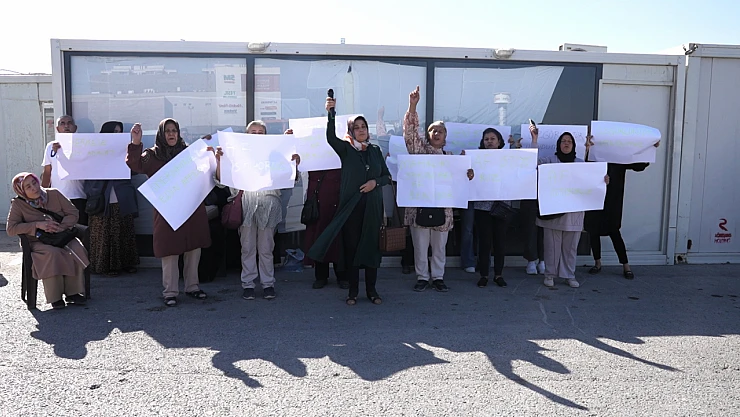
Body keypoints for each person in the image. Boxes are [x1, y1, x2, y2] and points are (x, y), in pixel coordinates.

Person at [308, 95, 391, 305]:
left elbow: (386, 177)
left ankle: (372, 291)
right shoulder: (346, 150)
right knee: (352, 249)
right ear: (351, 131)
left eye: (364, 127)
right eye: (356, 127)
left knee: (371, 248)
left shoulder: (375, 151)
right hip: (352, 209)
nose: (361, 130)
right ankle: (353, 292)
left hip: (372, 207)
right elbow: (330, 137)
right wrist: (331, 113)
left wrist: (374, 183)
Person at [127, 119, 211, 307]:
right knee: (169, 249)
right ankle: (170, 292)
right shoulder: (152, 155)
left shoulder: (188, 152)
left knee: (193, 247)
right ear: (161, 134)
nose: (171, 134)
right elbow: (135, 165)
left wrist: (208, 149)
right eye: (167, 131)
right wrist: (136, 142)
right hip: (167, 209)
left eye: (174, 130)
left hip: (191, 206)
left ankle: (192, 287)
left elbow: (204, 169)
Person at [214, 120, 300, 300]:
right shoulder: (237, 155)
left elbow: (290, 179)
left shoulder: (276, 155)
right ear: (247, 135)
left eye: (261, 132)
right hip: (246, 205)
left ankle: (268, 284)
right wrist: (219, 160)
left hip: (269, 205)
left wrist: (293, 163)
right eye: (253, 132)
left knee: (266, 248)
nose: (257, 135)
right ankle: (248, 284)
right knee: (247, 248)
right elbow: (221, 181)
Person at [403, 86, 475, 292]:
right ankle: (422, 277)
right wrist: (413, 106)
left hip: (443, 209)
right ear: (428, 135)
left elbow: (459, 183)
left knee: (439, 247)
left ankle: (438, 277)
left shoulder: (452, 159)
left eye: (440, 131)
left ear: (445, 137)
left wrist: (467, 173)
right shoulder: (419, 152)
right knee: (420, 246)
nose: (436, 133)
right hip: (419, 206)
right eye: (433, 130)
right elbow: (410, 134)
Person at [534, 131, 609, 288]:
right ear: (559, 145)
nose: (566, 143)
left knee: (570, 248)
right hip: (553, 212)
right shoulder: (549, 161)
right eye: (563, 141)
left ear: (574, 145)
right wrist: (534, 140)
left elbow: (591, 180)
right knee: (551, 247)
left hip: (573, 213)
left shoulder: (580, 163)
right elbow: (532, 164)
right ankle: (549, 275)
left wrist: (603, 180)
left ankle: (569, 275)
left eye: (569, 141)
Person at [6, 172, 90, 309]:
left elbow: (73, 212)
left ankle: (73, 292)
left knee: (76, 249)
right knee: (52, 253)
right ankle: (55, 297)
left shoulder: (54, 194)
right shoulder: (18, 204)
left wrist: (62, 227)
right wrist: (37, 225)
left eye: (34, 182)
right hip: (38, 241)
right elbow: (11, 229)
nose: (34, 188)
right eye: (28, 187)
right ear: (22, 191)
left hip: (62, 235)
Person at [585, 139, 661, 279]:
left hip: (613, 201)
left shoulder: (619, 158)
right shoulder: (593, 156)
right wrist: (587, 149)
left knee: (614, 232)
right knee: (593, 231)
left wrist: (650, 149)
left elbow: (638, 165)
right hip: (594, 199)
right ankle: (597, 263)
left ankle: (626, 265)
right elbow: (581, 168)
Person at [85, 121, 140, 276]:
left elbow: (135, 170)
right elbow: (85, 170)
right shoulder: (95, 152)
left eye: (119, 132)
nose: (117, 135)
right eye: (114, 131)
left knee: (124, 231)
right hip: (101, 198)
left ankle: (126, 263)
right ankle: (104, 266)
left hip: (121, 197)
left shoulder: (126, 150)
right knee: (104, 233)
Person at [472, 128, 512, 288]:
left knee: (500, 241)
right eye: (486, 139)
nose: (489, 141)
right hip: (482, 206)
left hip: (502, 206)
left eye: (492, 138)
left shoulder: (508, 158)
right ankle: (484, 275)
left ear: (499, 141)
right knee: (484, 242)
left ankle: (498, 274)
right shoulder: (476, 158)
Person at [303, 167, 347, 289]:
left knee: (339, 237)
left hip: (339, 192)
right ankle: (321, 276)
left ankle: (342, 275)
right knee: (320, 235)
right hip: (320, 195)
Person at [41, 115, 88, 225]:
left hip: (78, 195)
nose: (66, 126)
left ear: (75, 128)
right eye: (62, 123)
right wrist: (42, 194)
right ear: (57, 129)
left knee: (80, 228)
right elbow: (47, 172)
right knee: (59, 228)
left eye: (69, 123)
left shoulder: (83, 145)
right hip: (57, 196)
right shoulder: (50, 146)